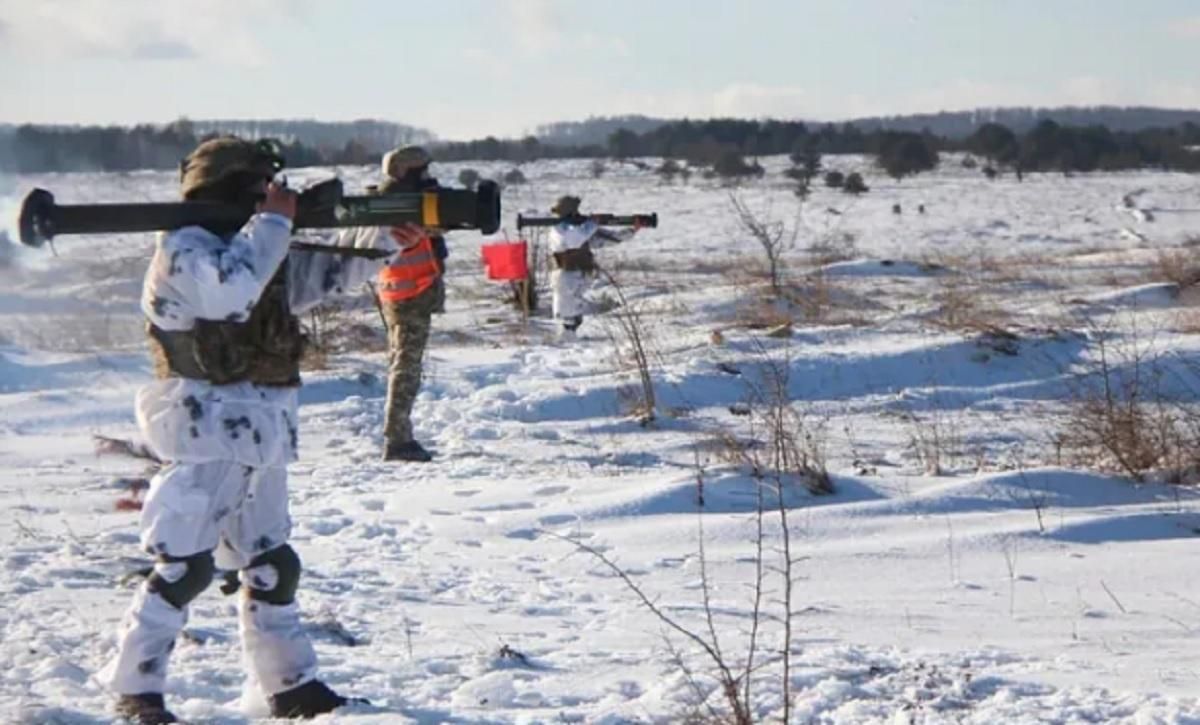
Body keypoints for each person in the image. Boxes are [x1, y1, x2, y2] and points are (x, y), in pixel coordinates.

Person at [100, 136, 420, 723]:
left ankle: (289, 686)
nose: (266, 201)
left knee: (273, 563)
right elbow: (231, 291)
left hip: (262, 428)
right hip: (204, 428)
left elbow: (320, 277)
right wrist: (273, 222)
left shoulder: (253, 246)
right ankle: (135, 687)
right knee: (185, 565)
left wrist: (382, 240)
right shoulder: (185, 250)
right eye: (256, 190)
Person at [374, 145, 447, 463]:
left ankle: (398, 435)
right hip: (410, 293)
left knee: (402, 364)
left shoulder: (393, 198)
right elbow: (437, 226)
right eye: (422, 170)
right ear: (407, 171)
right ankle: (397, 439)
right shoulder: (403, 203)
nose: (428, 175)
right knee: (406, 368)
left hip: (403, 291)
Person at [546, 195, 639, 339]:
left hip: (580, 274)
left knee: (575, 312)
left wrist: (633, 229)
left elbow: (610, 239)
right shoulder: (559, 229)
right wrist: (592, 223)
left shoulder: (581, 229)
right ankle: (565, 341)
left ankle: (570, 338)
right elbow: (574, 240)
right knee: (565, 314)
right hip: (565, 276)